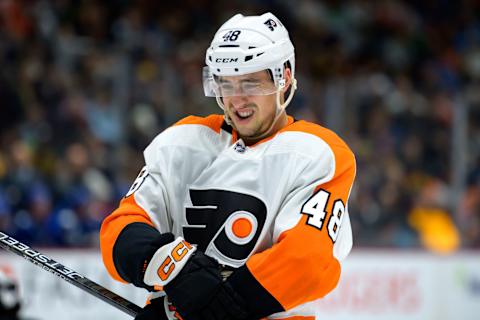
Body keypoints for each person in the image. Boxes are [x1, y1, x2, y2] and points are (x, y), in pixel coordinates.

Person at [100, 12, 356, 320]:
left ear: (284, 77)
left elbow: (307, 261)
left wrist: (209, 308)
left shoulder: (318, 153)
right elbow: (120, 229)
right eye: (226, 83)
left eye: (250, 83)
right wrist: (171, 263)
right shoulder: (183, 142)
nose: (237, 100)